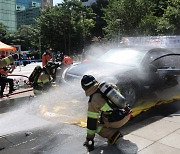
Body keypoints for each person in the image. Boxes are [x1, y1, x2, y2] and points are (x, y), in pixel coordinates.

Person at [81, 75, 132, 152]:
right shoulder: (109, 86)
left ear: (84, 88)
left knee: (97, 126)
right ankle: (115, 125)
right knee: (106, 114)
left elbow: (92, 122)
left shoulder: (93, 101)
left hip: (117, 121)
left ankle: (113, 135)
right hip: (127, 114)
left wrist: (89, 139)